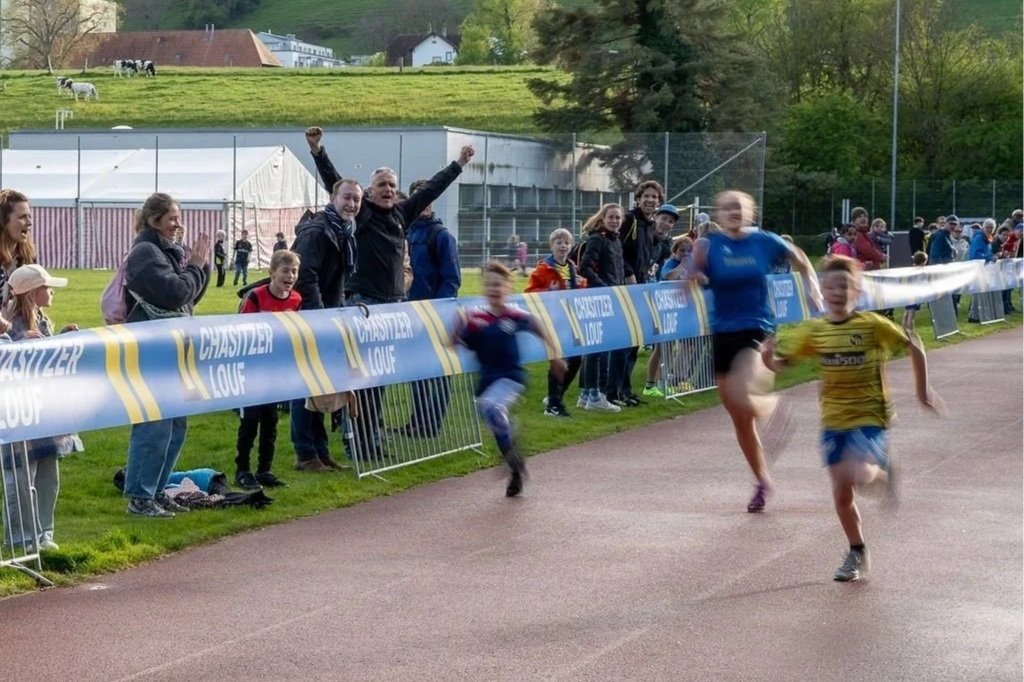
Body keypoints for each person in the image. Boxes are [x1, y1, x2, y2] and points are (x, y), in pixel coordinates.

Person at [762, 255, 939, 582]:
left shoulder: (872, 325)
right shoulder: (816, 331)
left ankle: (882, 473)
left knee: (855, 473)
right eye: (830, 286)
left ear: (855, 291)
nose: (837, 292)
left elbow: (914, 344)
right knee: (841, 493)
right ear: (822, 292)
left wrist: (922, 391)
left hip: (871, 414)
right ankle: (856, 551)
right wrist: (769, 359)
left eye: (844, 286)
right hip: (833, 419)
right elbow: (783, 366)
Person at [305, 125, 474, 461]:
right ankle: (357, 442)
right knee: (361, 378)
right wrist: (317, 150)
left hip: (395, 307)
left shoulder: (402, 213)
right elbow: (334, 182)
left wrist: (459, 163)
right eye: (381, 185)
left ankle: (372, 437)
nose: (387, 190)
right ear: (369, 191)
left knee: (380, 377)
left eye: (392, 186)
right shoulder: (363, 212)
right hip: (363, 305)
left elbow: (431, 189)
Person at [689, 190, 823, 513]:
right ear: (718, 214)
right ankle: (762, 480)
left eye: (740, 208)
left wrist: (811, 287)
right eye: (727, 208)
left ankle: (776, 409)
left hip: (757, 327)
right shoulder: (708, 246)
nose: (734, 212)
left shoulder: (765, 242)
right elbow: (694, 275)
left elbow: (802, 259)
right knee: (739, 416)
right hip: (722, 330)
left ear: (750, 214)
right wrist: (694, 278)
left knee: (743, 390)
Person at [122, 193, 210, 518]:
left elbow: (190, 296)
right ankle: (140, 498)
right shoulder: (145, 252)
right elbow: (175, 294)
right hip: (151, 352)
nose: (178, 223)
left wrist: (198, 266)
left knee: (175, 425)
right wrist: (196, 266)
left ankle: (156, 492)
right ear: (153, 220)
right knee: (154, 424)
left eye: (179, 216)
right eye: (172, 217)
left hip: (170, 352)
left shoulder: (165, 251)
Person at [450, 261, 566, 497]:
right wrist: (457, 327)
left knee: (492, 408)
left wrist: (555, 356)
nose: (494, 289)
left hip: (510, 378)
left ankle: (512, 447)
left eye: (498, 285)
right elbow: (454, 342)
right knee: (492, 415)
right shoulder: (475, 318)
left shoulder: (514, 315)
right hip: (486, 381)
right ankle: (515, 467)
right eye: (490, 285)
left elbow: (537, 325)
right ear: (483, 289)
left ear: (507, 289)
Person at [1, 264, 79, 552]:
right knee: (22, 474)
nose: (52, 292)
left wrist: (62, 339)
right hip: (22, 413)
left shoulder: (41, 320)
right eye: (47, 287)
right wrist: (20, 344)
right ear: (33, 293)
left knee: (48, 472)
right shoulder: (15, 325)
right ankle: (22, 537)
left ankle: (45, 532)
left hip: (46, 412)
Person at [289, 176, 363, 471]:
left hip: (330, 314)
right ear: (333, 198)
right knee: (305, 388)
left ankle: (320, 451)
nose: (352, 204)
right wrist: (319, 317)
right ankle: (305, 453)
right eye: (347, 197)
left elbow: (337, 281)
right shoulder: (318, 231)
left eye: (356, 199)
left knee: (322, 386)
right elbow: (306, 278)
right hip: (311, 318)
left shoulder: (346, 233)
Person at [234, 250, 303, 489]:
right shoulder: (256, 297)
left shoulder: (296, 299)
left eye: (294, 271)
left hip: (276, 372)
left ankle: (265, 470)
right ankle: (242, 469)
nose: (290, 276)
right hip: (253, 371)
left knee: (271, 421)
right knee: (250, 422)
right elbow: (240, 331)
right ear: (272, 272)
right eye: (285, 270)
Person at [402, 177, 462, 437]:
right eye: (418, 197)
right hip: (410, 312)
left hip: (435, 313)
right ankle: (417, 420)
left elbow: (451, 279)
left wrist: (438, 310)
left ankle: (432, 423)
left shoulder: (441, 236)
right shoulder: (404, 232)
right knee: (417, 369)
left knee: (438, 370)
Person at [526, 227, 587, 417]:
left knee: (577, 358)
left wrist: (582, 284)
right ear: (551, 245)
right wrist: (548, 293)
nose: (563, 246)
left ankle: (556, 396)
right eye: (559, 242)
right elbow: (528, 294)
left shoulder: (572, 266)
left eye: (567, 243)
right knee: (557, 360)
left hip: (570, 320)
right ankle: (553, 405)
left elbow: (577, 289)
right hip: (552, 321)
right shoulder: (543, 269)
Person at [578, 203, 628, 411]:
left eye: (618, 218)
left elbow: (618, 269)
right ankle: (594, 394)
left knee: (599, 347)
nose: (615, 221)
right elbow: (585, 267)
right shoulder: (597, 239)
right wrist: (604, 288)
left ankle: (588, 394)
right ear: (603, 218)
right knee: (597, 348)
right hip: (600, 298)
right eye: (611, 217)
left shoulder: (616, 241)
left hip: (614, 297)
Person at [619, 180, 664, 404]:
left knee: (635, 341)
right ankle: (617, 390)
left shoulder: (650, 225)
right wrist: (628, 273)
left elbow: (648, 255)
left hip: (641, 285)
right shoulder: (630, 220)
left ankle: (625, 390)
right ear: (638, 199)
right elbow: (617, 249)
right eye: (646, 196)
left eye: (654, 197)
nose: (650, 200)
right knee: (624, 341)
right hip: (625, 286)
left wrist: (648, 269)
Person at [0, 189, 37, 331]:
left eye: (29, 216)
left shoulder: (28, 259)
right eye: (22, 217)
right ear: (3, 222)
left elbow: (30, 306)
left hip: (11, 341)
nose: (29, 223)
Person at [966, 219, 996, 323]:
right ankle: (974, 315)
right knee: (978, 291)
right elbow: (975, 254)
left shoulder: (988, 239)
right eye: (987, 227)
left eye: (991, 228)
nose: (989, 229)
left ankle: (976, 314)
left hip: (983, 268)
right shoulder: (979, 238)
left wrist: (991, 256)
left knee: (980, 291)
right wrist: (989, 257)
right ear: (983, 227)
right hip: (976, 267)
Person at [901, 251, 928, 332]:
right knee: (911, 314)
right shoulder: (922, 272)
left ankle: (904, 330)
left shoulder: (910, 269)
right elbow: (922, 283)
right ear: (924, 262)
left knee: (906, 312)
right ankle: (910, 331)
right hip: (915, 294)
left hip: (908, 292)